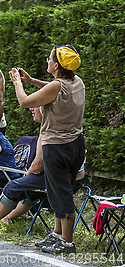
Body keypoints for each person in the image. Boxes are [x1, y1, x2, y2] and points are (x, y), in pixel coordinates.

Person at [9, 44, 85, 254]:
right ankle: (58, 234)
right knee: (60, 190)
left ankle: (67, 242)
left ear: (58, 65)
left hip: (57, 146)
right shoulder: (77, 82)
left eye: (51, 59)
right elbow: (53, 89)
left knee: (61, 194)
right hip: (76, 144)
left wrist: (17, 83)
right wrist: (32, 80)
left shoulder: (56, 86)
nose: (48, 61)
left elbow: (24, 101)